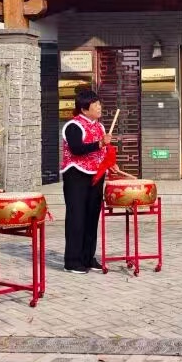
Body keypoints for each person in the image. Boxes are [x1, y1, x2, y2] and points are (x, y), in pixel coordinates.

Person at [61, 90, 111, 273]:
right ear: (83, 109)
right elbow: (76, 149)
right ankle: (72, 261)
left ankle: (88, 258)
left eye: (99, 103)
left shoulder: (100, 127)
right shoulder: (73, 126)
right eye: (95, 104)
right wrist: (100, 144)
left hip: (96, 175)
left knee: (92, 216)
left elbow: (103, 151)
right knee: (77, 217)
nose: (99, 107)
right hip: (76, 175)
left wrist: (110, 163)